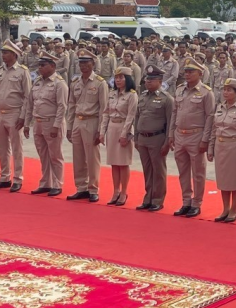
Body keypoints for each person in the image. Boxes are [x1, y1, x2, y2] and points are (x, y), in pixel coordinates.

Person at [168, 58, 215, 218]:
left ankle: (197, 203)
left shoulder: (206, 92)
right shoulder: (180, 90)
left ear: (200, 74)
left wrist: (205, 140)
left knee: (198, 172)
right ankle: (186, 201)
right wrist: (171, 134)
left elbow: (210, 117)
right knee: (183, 172)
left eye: (191, 71)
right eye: (186, 71)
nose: (187, 74)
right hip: (180, 134)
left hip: (196, 135)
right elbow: (175, 112)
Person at [66, 49, 108, 203]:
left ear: (93, 64)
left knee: (92, 158)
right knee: (78, 157)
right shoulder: (75, 82)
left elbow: (104, 108)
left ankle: (93, 188)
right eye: (80, 62)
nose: (83, 66)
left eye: (86, 62)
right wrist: (69, 126)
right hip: (78, 120)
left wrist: (101, 130)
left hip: (92, 121)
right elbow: (71, 105)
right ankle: (81, 188)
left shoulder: (100, 83)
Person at [208, 78, 236, 222]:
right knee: (223, 180)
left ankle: (234, 209)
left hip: (235, 146)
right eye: (224, 90)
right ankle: (225, 209)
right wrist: (210, 148)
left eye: (229, 90)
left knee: (235, 181)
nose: (225, 93)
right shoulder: (220, 107)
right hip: (221, 147)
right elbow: (214, 129)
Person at [24, 52, 68, 196]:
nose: (40, 68)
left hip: (51, 122)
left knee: (55, 155)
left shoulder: (59, 83)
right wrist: (26, 123)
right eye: (39, 65)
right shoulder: (37, 81)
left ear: (53, 66)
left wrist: (56, 125)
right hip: (38, 122)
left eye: (43, 65)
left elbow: (62, 106)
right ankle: (46, 183)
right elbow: (30, 103)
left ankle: (57, 183)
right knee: (43, 155)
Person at [0, 42, 31, 192]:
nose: (3, 55)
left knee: (16, 148)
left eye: (6, 52)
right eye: (2, 52)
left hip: (14, 113)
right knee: (2, 147)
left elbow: (27, 96)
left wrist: (23, 117)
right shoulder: (0, 71)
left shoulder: (22, 72)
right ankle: (4, 177)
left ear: (15, 55)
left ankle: (18, 178)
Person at [134, 65, 174, 211]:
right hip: (143, 138)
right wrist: (136, 137)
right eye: (147, 79)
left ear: (160, 80)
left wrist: (167, 141)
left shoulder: (166, 99)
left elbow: (171, 121)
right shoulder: (143, 96)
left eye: (152, 79)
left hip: (157, 138)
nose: (148, 82)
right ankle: (148, 198)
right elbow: (137, 117)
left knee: (158, 170)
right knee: (147, 169)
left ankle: (157, 199)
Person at [103, 67, 139, 206]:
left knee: (123, 163)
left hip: (124, 127)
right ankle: (115, 191)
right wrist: (102, 132)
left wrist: (125, 134)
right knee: (114, 163)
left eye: (121, 77)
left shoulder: (132, 95)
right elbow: (106, 113)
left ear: (128, 79)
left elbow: (131, 116)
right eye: (116, 78)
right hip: (112, 128)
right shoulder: (112, 93)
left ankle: (124, 192)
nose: (118, 80)